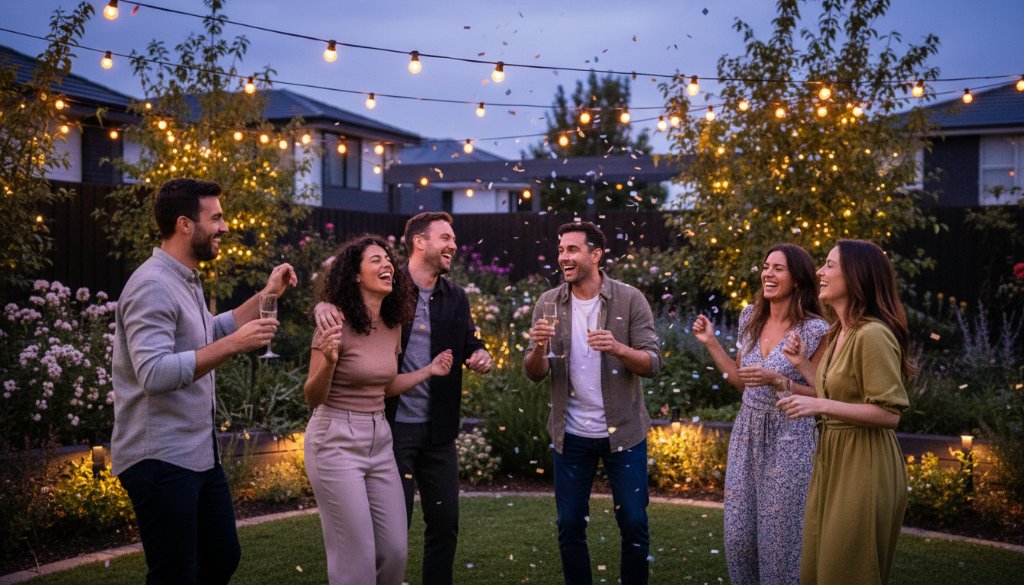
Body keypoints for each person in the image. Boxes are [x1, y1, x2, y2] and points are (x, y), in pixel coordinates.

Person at [111, 177, 297, 585]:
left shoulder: (184, 277)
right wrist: (233, 345)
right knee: (175, 574)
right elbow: (154, 373)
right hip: (158, 456)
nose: (225, 227)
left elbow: (206, 331)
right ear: (184, 224)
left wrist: (267, 294)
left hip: (196, 455)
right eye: (216, 218)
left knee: (221, 556)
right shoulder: (152, 285)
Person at [314, 212, 492, 585]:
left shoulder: (455, 297)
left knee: (443, 524)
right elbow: (346, 304)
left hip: (439, 431)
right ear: (419, 242)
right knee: (389, 534)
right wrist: (322, 306)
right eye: (445, 237)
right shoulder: (390, 292)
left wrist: (480, 354)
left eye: (454, 239)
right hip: (392, 429)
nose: (453, 245)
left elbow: (469, 341)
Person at [524, 221, 662, 585]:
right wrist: (538, 346)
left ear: (596, 255)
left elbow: (653, 362)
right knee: (569, 525)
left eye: (572, 249)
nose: (563, 257)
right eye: (561, 250)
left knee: (634, 521)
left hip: (625, 432)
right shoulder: (548, 302)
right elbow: (534, 372)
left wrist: (617, 348)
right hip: (571, 434)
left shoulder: (629, 298)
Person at [692, 243, 828, 585]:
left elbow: (823, 394)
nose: (768, 273)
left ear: (797, 279)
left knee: (780, 541)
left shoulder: (815, 330)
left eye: (778, 268)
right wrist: (710, 342)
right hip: (747, 431)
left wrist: (779, 380)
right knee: (738, 537)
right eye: (766, 266)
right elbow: (742, 383)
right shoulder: (749, 317)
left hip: (791, 435)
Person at [779, 239, 912, 585]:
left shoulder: (873, 334)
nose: (820, 272)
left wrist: (818, 405)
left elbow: (888, 413)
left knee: (848, 568)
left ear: (855, 276)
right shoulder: (840, 331)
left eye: (829, 265)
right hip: (832, 459)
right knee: (821, 565)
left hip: (864, 462)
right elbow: (837, 392)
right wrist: (802, 366)